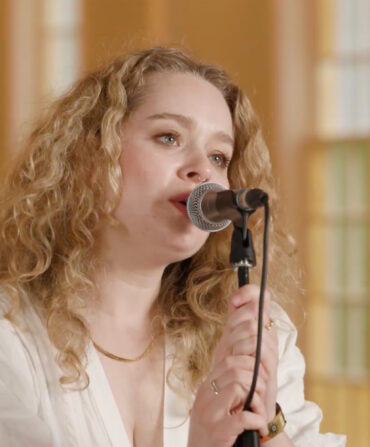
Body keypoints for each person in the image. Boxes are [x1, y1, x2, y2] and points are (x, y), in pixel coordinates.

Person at [0, 46, 345, 447]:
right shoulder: (11, 337)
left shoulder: (252, 331)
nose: (203, 169)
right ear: (91, 156)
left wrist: (268, 426)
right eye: (169, 137)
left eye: (219, 156)